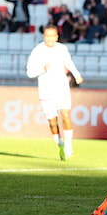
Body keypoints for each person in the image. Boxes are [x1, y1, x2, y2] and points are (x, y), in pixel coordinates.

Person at [26, 24, 84, 161]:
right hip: (46, 90)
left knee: (65, 114)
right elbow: (29, 73)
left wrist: (77, 75)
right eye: (47, 36)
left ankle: (69, 145)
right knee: (52, 122)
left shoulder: (62, 49)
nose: (50, 39)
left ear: (57, 37)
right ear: (44, 37)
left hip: (62, 87)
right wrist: (42, 69)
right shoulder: (37, 51)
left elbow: (69, 62)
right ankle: (60, 143)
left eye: (52, 36)